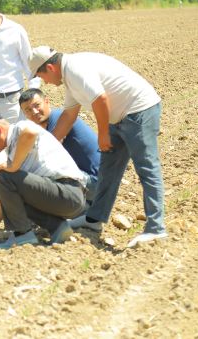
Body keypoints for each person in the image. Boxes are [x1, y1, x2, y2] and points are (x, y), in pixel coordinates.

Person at [31, 46, 167, 247]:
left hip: (139, 110)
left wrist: (103, 133)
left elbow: (100, 99)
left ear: (50, 68)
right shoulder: (69, 78)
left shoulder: (75, 69)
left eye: (42, 77)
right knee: (108, 169)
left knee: (147, 168)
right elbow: (69, 115)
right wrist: (46, 145)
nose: (45, 83)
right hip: (119, 116)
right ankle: (94, 220)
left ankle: (156, 227)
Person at [0, 111, 87, 249]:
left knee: (4, 175)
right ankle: (58, 227)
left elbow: (30, 131)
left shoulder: (20, 128)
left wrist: (12, 167)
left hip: (68, 191)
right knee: (11, 192)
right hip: (66, 196)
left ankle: (22, 235)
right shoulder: (13, 151)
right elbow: (5, 198)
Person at [19, 87, 100, 201]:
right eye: (28, 110)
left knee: (41, 173)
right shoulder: (47, 124)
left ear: (47, 101)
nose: (34, 112)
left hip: (96, 182)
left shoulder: (59, 120)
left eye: (37, 105)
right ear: (24, 114)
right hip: (93, 179)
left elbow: (45, 158)